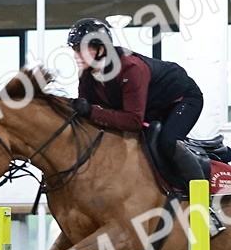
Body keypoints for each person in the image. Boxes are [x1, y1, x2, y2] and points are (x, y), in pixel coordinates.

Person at [67, 17, 205, 189]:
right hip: (152, 104)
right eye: (74, 50)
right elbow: (85, 111)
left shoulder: (130, 69)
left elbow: (133, 121)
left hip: (182, 98)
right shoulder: (86, 74)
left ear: (101, 49)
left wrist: (91, 111)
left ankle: (202, 197)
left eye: (81, 50)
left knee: (167, 141)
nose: (75, 56)